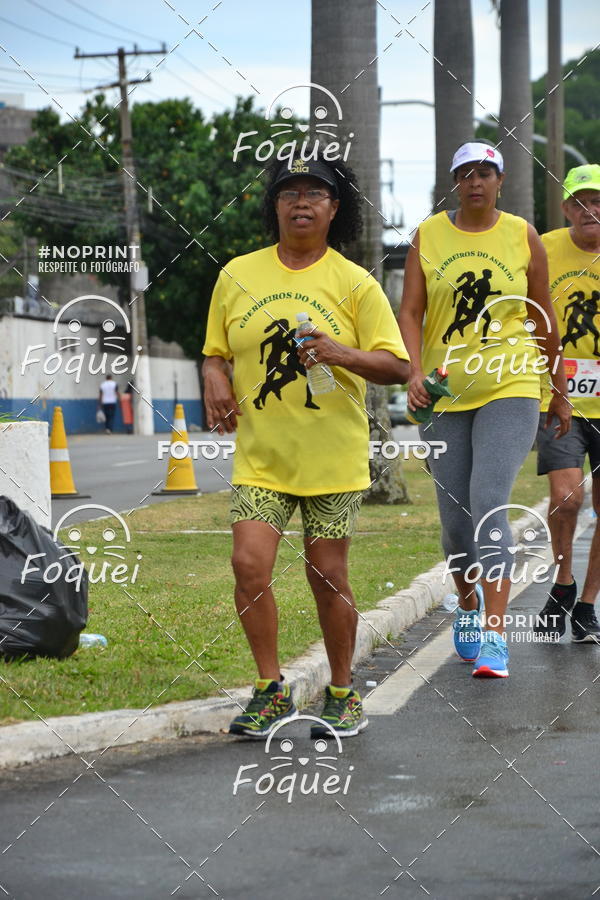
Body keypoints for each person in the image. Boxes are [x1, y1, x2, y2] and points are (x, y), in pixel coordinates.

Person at [202, 155, 409, 738]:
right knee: (248, 564)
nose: (301, 202)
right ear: (274, 206)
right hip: (262, 456)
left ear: (333, 207)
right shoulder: (238, 274)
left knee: (327, 575)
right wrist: (213, 373)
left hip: (333, 458)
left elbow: (396, 365)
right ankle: (271, 691)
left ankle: (342, 693)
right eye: (289, 192)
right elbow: (216, 347)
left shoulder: (355, 282)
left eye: (314, 193)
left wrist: (341, 353)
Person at [399, 141, 571, 679]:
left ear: (500, 180)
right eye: (466, 174)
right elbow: (409, 311)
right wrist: (410, 372)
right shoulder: (428, 236)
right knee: (455, 525)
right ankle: (469, 605)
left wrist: (557, 389)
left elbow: (542, 315)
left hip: (512, 382)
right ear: (454, 182)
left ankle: (496, 636)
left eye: (486, 173)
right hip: (446, 390)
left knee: (489, 501)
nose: (476, 182)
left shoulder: (522, 235)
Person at [534, 164, 600, 643]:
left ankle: (587, 606)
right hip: (558, 396)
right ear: (566, 209)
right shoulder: (545, 247)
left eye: (597, 201)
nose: (589, 210)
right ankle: (563, 580)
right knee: (567, 497)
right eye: (580, 202)